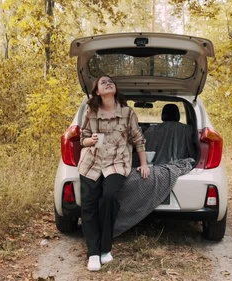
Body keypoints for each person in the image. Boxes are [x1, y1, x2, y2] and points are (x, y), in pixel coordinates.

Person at [78, 75, 150, 271]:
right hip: (92, 162)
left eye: (110, 81)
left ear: (115, 89)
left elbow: (138, 139)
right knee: (89, 205)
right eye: (103, 82)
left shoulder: (127, 113)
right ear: (97, 92)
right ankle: (93, 253)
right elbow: (82, 138)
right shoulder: (91, 111)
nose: (108, 83)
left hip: (117, 163)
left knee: (109, 196)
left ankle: (104, 248)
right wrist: (90, 141)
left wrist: (144, 164)